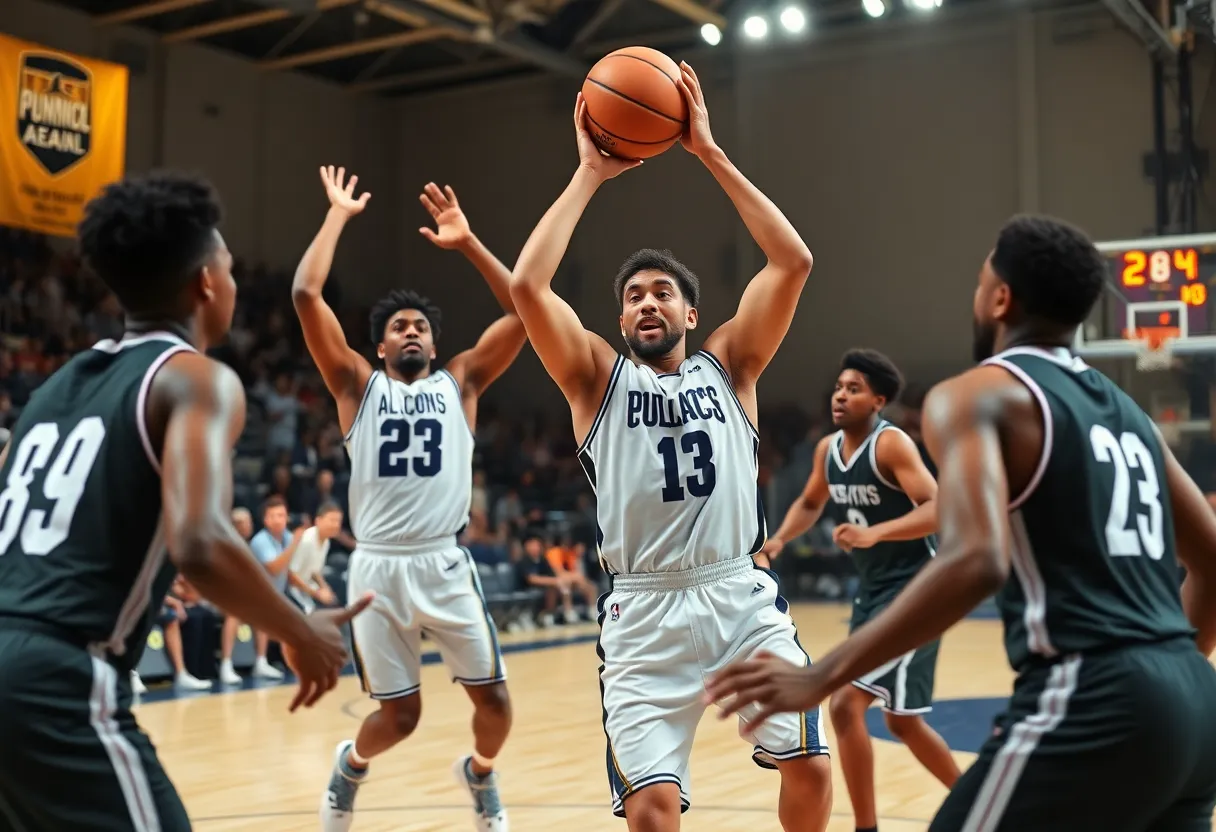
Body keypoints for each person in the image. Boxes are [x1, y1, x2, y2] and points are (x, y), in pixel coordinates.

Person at [706, 214, 1216, 831]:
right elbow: (1211, 560)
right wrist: (1167, 674)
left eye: (979, 283)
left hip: (1092, 690)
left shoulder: (975, 394)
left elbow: (977, 558)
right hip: (1194, 701)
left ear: (1000, 298)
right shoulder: (1128, 412)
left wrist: (821, 673)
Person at [509, 65, 829, 832]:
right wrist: (588, 174)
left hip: (736, 597)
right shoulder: (594, 377)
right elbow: (527, 285)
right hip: (643, 611)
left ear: (692, 308)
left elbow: (793, 262)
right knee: (652, 812)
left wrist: (708, 151)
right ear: (620, 321)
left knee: (811, 768)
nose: (646, 301)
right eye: (632, 295)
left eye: (660, 291)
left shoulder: (733, 364)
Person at [0, 172, 370, 831]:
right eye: (227, 266)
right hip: (60, 678)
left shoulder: (57, 387)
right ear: (206, 281)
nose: (231, 280)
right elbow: (197, 540)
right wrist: (297, 627)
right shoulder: (196, 378)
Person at [295, 167, 527, 832]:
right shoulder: (355, 387)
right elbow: (307, 293)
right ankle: (350, 767)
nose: (412, 332)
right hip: (376, 568)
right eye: (398, 326)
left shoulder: (464, 381)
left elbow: (522, 310)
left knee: (498, 708)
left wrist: (471, 243)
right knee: (400, 718)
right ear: (379, 344)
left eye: (420, 325)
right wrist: (338, 214)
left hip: (444, 564)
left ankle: (479, 775)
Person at [760, 349, 959, 832]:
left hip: (916, 592)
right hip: (873, 593)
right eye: (838, 388)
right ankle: (982, 805)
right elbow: (810, 501)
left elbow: (937, 508)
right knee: (902, 723)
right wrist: (780, 539)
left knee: (846, 703)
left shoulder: (891, 446)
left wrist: (876, 533)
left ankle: (865, 827)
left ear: (879, 400)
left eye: (854, 389)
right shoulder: (828, 451)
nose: (841, 396)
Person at [220, 495, 302, 683]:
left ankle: (263, 662)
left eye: (282, 515)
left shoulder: (288, 538)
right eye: (274, 516)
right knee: (237, 613)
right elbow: (274, 568)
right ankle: (226, 664)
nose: (278, 519)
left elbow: (291, 571)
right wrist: (295, 544)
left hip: (272, 596)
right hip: (245, 596)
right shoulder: (260, 540)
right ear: (265, 520)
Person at [288, 501, 343, 614]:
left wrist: (325, 588)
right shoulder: (307, 540)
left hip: (308, 587)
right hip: (292, 590)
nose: (336, 525)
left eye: (338, 521)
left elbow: (315, 571)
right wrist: (317, 594)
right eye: (332, 520)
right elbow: (291, 576)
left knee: (337, 603)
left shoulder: (326, 541)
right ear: (318, 520)